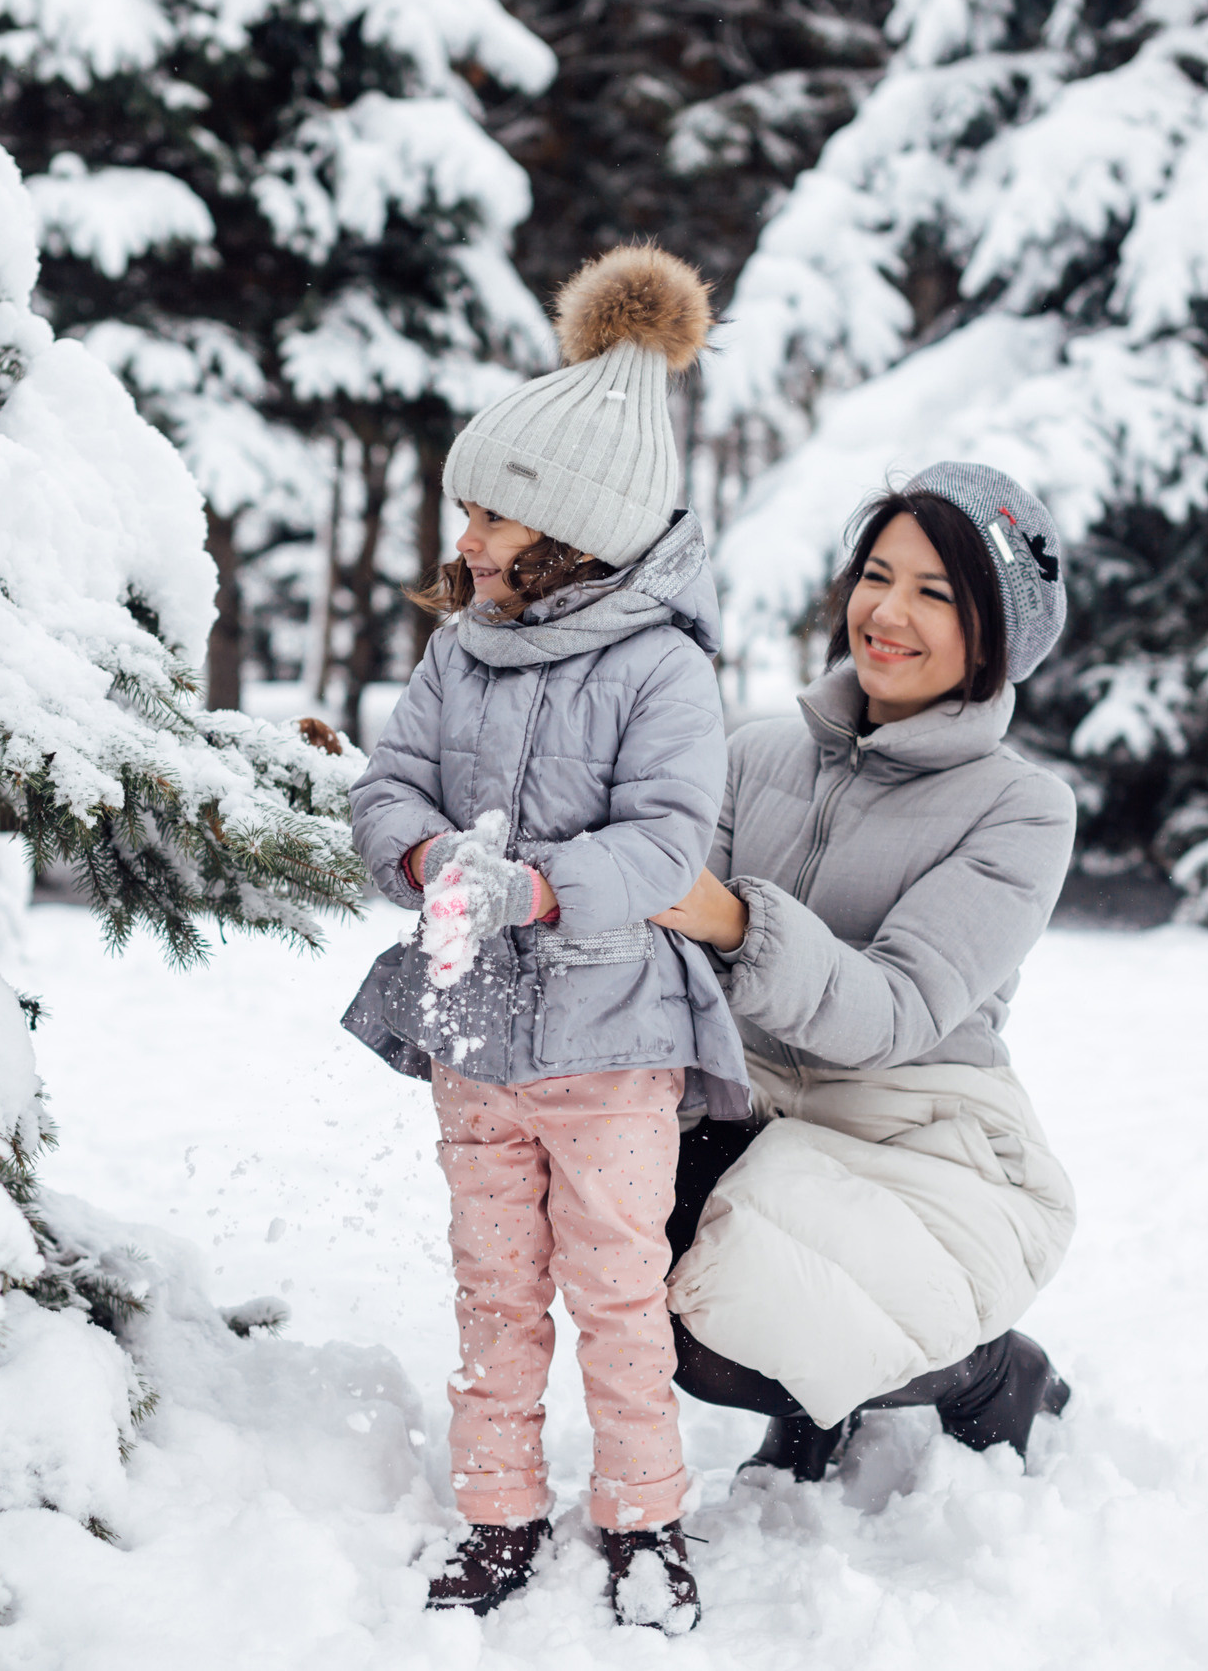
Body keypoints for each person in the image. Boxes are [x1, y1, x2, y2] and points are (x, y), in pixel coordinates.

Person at [342, 244, 749, 1635]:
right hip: (474, 1035)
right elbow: (389, 784)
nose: (466, 537)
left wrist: (529, 888)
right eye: (466, 507)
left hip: (611, 1040)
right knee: (494, 1288)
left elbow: (665, 846)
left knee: (617, 1291)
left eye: (491, 512)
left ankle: (643, 1518)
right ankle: (498, 1507)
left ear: (571, 524)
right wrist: (423, 857)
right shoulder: (460, 648)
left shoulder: (662, 667)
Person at [654, 462, 1080, 1483]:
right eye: (877, 576)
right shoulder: (756, 754)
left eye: (935, 593)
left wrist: (731, 918)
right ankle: (825, 1386)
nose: (887, 613)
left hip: (914, 1131)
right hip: (746, 1104)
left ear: (995, 635)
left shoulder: (1021, 809)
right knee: (620, 1261)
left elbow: (895, 1009)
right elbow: (668, 959)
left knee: (720, 1334)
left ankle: (989, 1373)